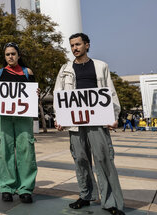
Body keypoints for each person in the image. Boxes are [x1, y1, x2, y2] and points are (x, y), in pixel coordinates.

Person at [54, 33, 125, 215]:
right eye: (72, 45)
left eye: (78, 44)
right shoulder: (65, 69)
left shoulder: (101, 66)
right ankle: (86, 195)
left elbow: (110, 92)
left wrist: (114, 115)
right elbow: (59, 94)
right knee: (80, 159)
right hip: (75, 122)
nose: (75, 48)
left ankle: (111, 203)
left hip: (98, 120)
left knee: (103, 159)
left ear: (87, 45)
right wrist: (59, 117)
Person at [0, 42, 38, 204]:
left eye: (13, 54)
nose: (10, 57)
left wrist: (36, 92)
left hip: (24, 117)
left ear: (18, 55)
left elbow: (32, 95)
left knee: (26, 149)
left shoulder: (28, 72)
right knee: (5, 150)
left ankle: (25, 189)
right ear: (4, 57)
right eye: (7, 54)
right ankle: (7, 188)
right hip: (4, 117)